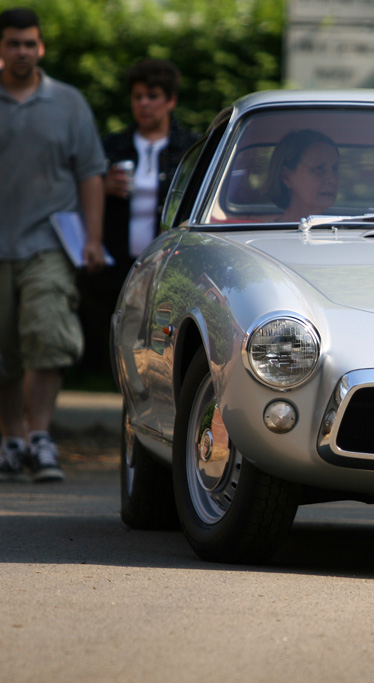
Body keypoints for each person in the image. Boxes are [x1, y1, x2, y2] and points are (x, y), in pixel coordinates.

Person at [0, 7, 107, 483]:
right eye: (13, 43)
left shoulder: (68, 102)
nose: (22, 51)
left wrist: (94, 239)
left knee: (47, 336)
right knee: (4, 350)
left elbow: (90, 173)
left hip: (48, 244)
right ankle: (11, 437)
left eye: (29, 43)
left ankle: (40, 436)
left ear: (40, 47)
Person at [76, 58, 199, 378]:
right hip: (119, 261)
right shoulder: (111, 146)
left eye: (153, 96)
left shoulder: (190, 148)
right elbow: (79, 192)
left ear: (170, 100)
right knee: (125, 339)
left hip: (169, 261)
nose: (144, 104)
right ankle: (128, 395)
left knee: (162, 341)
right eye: (138, 96)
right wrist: (102, 186)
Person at [264, 129, 341, 222]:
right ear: (287, 177)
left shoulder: (346, 233)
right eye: (319, 168)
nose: (332, 179)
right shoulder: (264, 234)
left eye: (335, 168)